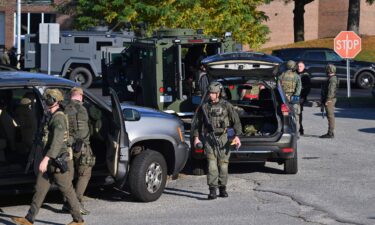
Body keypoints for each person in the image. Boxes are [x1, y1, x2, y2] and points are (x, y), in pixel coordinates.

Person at [12, 89, 85, 225]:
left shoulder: (58, 118)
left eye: (48, 99)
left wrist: (45, 160)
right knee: (39, 189)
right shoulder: (49, 116)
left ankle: (78, 220)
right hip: (49, 160)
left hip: (57, 161)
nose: (45, 102)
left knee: (68, 191)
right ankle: (29, 219)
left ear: (55, 101)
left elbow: (57, 142)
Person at [193, 81, 242, 200]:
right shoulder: (204, 107)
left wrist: (237, 136)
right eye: (210, 93)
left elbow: (236, 121)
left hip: (223, 138)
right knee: (211, 165)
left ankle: (223, 188)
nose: (211, 95)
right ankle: (212, 190)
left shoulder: (226, 105)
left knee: (223, 165)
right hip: (209, 138)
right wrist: (196, 138)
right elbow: (197, 124)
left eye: (214, 93)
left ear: (219, 93)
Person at [62, 87, 94, 215]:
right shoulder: (83, 108)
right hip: (81, 146)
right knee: (84, 173)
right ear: (81, 96)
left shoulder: (63, 108)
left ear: (71, 96)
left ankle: (66, 203)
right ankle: (77, 203)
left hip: (66, 147)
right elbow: (85, 130)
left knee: (68, 175)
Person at [279, 60, 302, 134]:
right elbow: (299, 87)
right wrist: (295, 95)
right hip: (293, 98)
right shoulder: (296, 76)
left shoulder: (282, 75)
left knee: (284, 115)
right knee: (295, 115)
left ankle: (284, 131)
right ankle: (296, 132)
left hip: (283, 98)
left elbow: (278, 86)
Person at [320, 64, 339, 138]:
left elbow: (331, 90)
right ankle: (330, 132)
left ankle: (330, 133)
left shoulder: (332, 79)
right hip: (330, 98)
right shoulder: (332, 78)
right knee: (329, 116)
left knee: (330, 116)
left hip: (330, 99)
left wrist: (328, 99)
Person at [296, 61, 311, 135]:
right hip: (294, 96)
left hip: (301, 97)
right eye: (298, 66)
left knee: (299, 113)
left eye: (300, 66)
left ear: (304, 67)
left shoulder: (306, 76)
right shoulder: (295, 74)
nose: (299, 68)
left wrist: (303, 97)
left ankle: (300, 128)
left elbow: (307, 88)